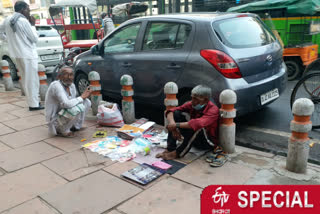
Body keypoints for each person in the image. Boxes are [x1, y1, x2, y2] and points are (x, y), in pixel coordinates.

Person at [156, 85, 220, 161]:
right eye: (192, 97)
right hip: (193, 138)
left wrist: (175, 125)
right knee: (176, 113)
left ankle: (178, 153)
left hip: (207, 142)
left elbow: (198, 123)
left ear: (205, 100)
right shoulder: (192, 104)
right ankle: (170, 148)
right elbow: (170, 111)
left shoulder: (213, 110)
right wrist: (173, 127)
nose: (192, 101)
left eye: (196, 99)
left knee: (198, 127)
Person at [0, 1, 42, 111]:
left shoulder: (8, 19)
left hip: (17, 54)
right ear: (23, 10)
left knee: (25, 78)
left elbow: (0, 32)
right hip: (28, 54)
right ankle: (34, 104)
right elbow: (34, 39)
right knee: (32, 80)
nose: (29, 12)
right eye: (28, 9)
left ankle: (32, 102)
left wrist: (8, 40)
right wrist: (33, 25)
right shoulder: (23, 21)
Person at [45, 66, 92, 137]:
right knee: (76, 108)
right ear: (59, 76)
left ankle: (76, 126)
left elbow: (73, 101)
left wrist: (84, 97)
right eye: (66, 74)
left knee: (86, 102)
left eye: (71, 74)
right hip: (55, 119)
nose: (69, 77)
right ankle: (64, 130)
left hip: (64, 115)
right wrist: (82, 97)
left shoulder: (72, 85)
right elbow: (66, 104)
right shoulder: (56, 85)